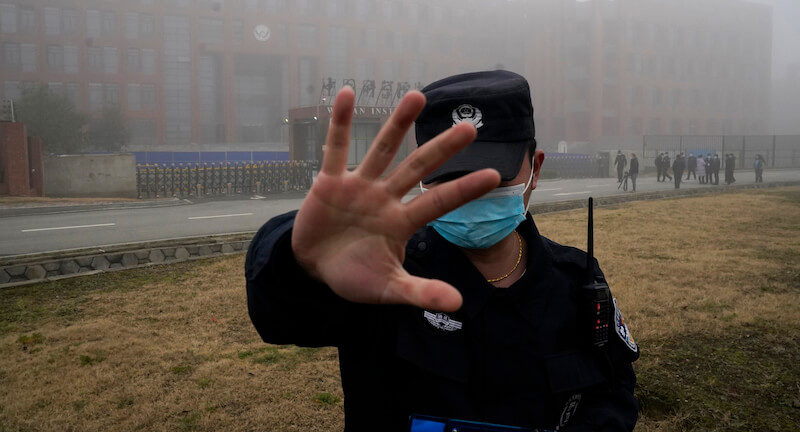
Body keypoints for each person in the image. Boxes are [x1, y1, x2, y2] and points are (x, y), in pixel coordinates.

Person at [245, 71, 639, 431]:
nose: (469, 191)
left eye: (493, 174)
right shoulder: (385, 278)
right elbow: (280, 317)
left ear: (535, 168)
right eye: (450, 175)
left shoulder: (575, 281)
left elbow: (613, 389)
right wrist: (302, 262)